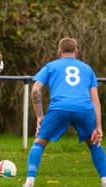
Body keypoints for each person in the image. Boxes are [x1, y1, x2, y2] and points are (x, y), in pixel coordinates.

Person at [23, 37, 106, 187]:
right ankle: (105, 179)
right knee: (94, 143)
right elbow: (95, 101)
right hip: (84, 108)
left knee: (39, 143)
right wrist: (98, 126)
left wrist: (40, 116)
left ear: (59, 51)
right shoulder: (87, 69)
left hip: (59, 108)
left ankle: (30, 180)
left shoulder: (51, 66)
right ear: (77, 51)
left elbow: (35, 89)